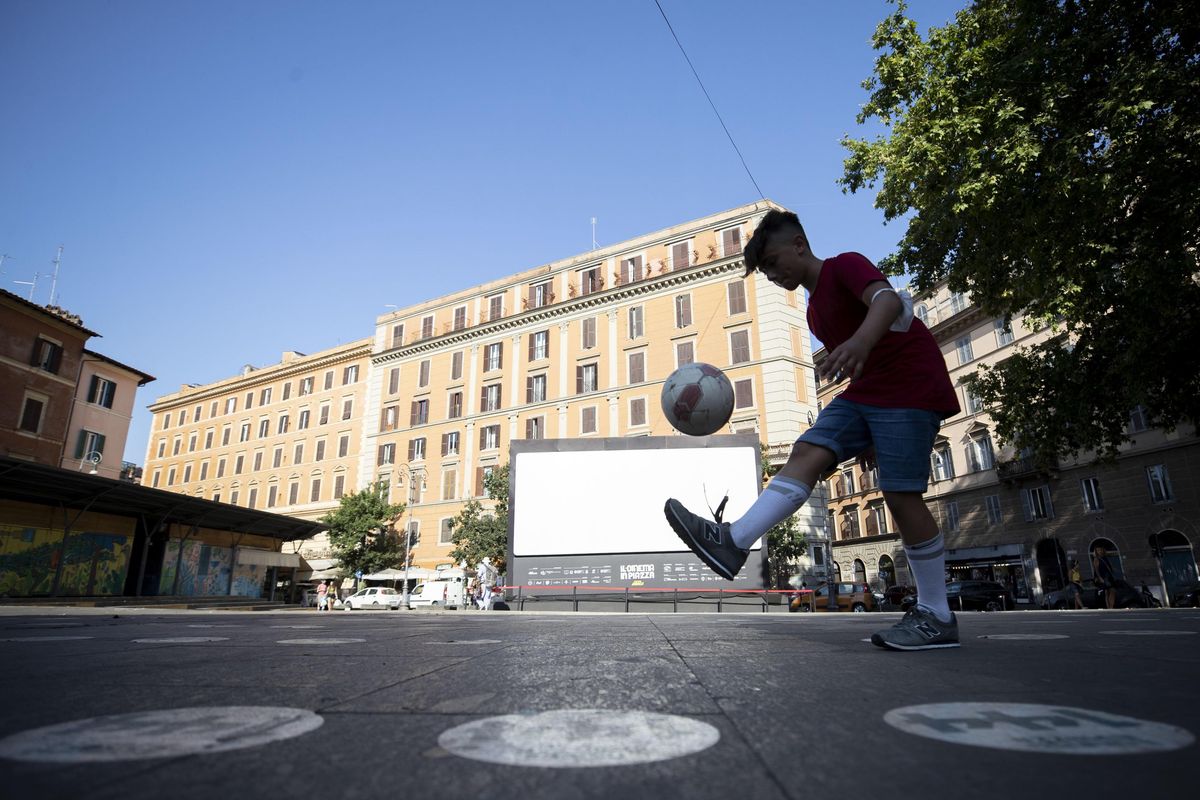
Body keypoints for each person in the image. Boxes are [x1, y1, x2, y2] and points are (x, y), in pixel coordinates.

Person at [663, 209, 961, 650]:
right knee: (807, 449)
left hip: (909, 386)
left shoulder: (845, 264)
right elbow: (862, 363)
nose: (771, 274)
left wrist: (860, 340)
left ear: (799, 244)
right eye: (763, 270)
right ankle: (733, 541)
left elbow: (888, 302)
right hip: (867, 393)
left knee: (900, 495)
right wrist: (868, 429)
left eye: (772, 261)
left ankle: (937, 614)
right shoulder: (814, 313)